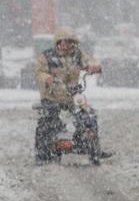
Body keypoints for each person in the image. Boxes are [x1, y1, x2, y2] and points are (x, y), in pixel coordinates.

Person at [34, 26, 112, 165]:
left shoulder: (78, 55)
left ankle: (93, 148)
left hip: (73, 97)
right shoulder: (46, 56)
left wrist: (94, 66)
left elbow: (89, 62)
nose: (67, 44)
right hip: (52, 97)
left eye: (70, 41)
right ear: (58, 42)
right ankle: (42, 154)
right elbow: (39, 72)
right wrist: (48, 78)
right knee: (47, 121)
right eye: (64, 41)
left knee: (89, 116)